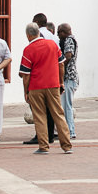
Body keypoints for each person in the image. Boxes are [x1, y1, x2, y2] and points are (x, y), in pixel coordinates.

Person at [18, 22, 73, 153]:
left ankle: (43, 146)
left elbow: (26, 74)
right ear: (39, 32)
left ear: (28, 35)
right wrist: (61, 82)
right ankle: (67, 146)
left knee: (39, 116)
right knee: (58, 114)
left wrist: (26, 91)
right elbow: (61, 64)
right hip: (53, 85)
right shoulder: (53, 45)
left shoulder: (28, 50)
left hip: (36, 86)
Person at [58, 22, 80, 139]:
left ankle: (71, 131)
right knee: (66, 105)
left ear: (63, 32)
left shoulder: (69, 40)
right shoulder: (72, 39)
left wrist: (59, 64)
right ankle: (68, 130)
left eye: (58, 32)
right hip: (69, 78)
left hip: (69, 77)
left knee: (67, 106)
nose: (57, 35)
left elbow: (68, 56)